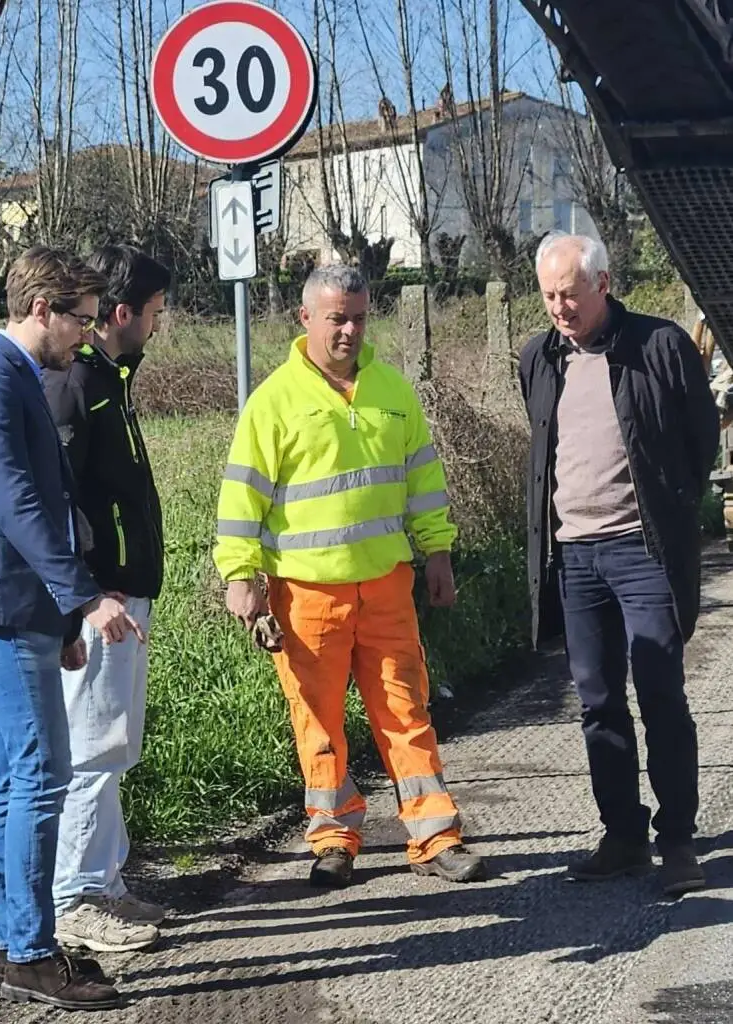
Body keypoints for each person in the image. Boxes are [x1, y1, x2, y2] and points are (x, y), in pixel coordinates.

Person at [213, 264, 484, 888]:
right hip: (305, 593)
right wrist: (241, 576)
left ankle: (435, 836)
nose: (350, 329)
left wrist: (438, 552)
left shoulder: (392, 390)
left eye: (359, 316)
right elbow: (241, 499)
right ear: (305, 318)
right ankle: (333, 839)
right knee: (319, 722)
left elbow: (422, 480)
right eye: (337, 317)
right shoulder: (274, 401)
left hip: (387, 586)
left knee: (406, 712)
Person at [0, 246, 145, 1010]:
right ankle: (30, 948)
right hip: (0, 602)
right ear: (42, 309)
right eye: (80, 320)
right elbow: (18, 502)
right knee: (42, 774)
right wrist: (84, 599)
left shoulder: (16, 377)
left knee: (11, 779)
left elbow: (39, 505)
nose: (87, 335)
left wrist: (63, 617)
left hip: (23, 607)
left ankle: (14, 940)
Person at [519, 232, 720, 897]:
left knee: (659, 690)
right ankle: (622, 836)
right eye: (548, 296)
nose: (558, 308)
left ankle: (679, 840)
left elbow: (700, 448)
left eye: (569, 294)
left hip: (642, 553)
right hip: (575, 559)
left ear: (602, 284)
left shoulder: (660, 346)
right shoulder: (538, 358)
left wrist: (667, 515)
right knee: (597, 700)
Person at [43, 245, 170, 952]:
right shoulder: (77, 386)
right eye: (152, 313)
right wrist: (88, 590)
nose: (158, 325)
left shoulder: (109, 380)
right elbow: (59, 499)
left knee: (113, 742)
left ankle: (106, 884)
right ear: (120, 313)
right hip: (101, 599)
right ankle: (75, 899)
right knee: (91, 746)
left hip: (122, 593)